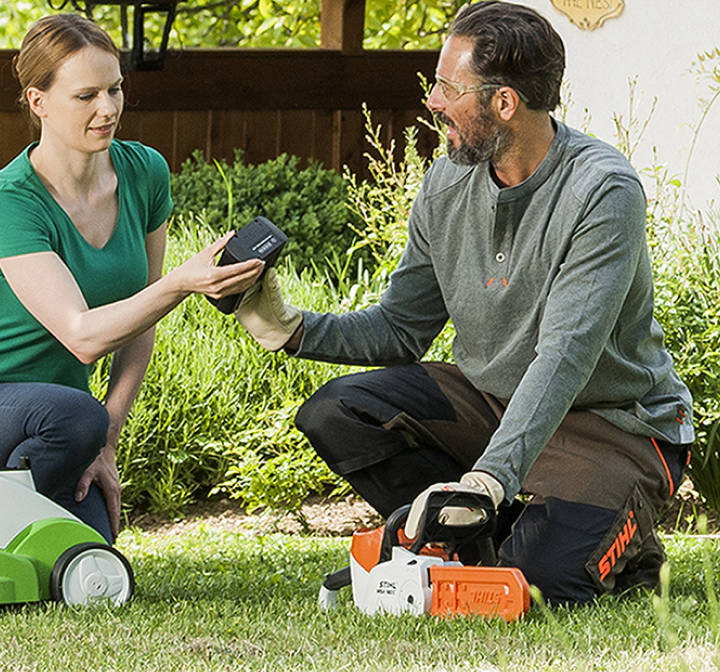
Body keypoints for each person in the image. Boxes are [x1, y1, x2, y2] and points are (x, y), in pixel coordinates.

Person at [234, 1, 694, 606]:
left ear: (503, 103)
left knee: (534, 588)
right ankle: (475, 537)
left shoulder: (601, 191)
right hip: (493, 401)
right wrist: (289, 328)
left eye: (447, 87)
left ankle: (612, 547)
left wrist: (489, 476)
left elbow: (564, 357)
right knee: (338, 413)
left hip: (613, 426)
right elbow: (401, 329)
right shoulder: (447, 183)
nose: (432, 101)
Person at [0, 14, 264, 544]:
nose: (109, 108)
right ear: (38, 101)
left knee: (92, 551)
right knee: (74, 417)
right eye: (86, 96)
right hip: (21, 405)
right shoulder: (12, 200)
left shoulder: (144, 172)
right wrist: (179, 286)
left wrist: (106, 440)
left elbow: (140, 321)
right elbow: (83, 336)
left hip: (63, 424)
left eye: (115, 89)